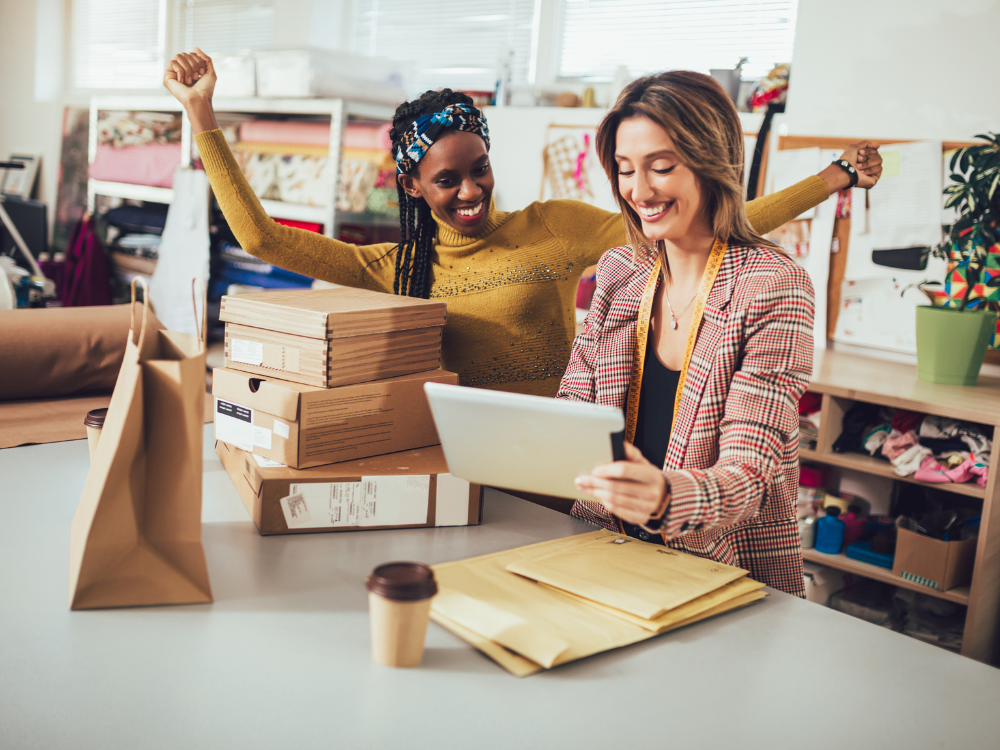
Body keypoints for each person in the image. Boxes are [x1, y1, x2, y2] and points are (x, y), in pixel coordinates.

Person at [163, 50, 881, 398]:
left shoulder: (556, 227)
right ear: (411, 185)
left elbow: (711, 225)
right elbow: (258, 240)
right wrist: (203, 118)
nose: (470, 190)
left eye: (480, 167)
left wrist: (831, 180)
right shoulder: (389, 267)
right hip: (451, 458)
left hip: (560, 463)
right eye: (447, 179)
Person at [565, 71, 833, 597]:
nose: (639, 191)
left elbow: (750, 473)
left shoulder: (773, 285)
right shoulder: (618, 273)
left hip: (720, 573)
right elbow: (574, 411)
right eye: (624, 170)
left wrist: (664, 496)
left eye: (661, 167)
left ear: (713, 164)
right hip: (601, 553)